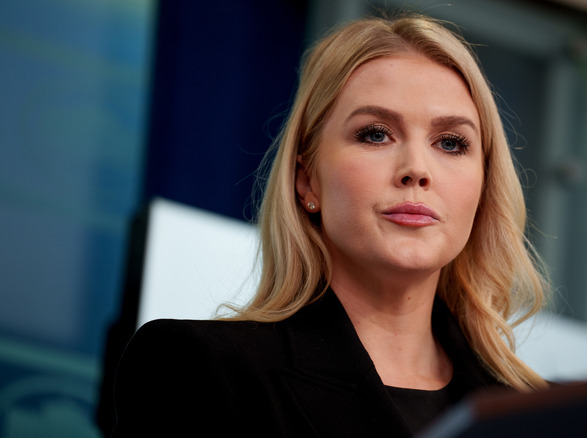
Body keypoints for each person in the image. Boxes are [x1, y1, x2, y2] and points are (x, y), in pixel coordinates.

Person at [111, 13, 549, 437]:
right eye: (375, 134)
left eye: (451, 143)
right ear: (307, 180)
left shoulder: (538, 414)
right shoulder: (196, 367)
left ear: (483, 186)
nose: (416, 169)